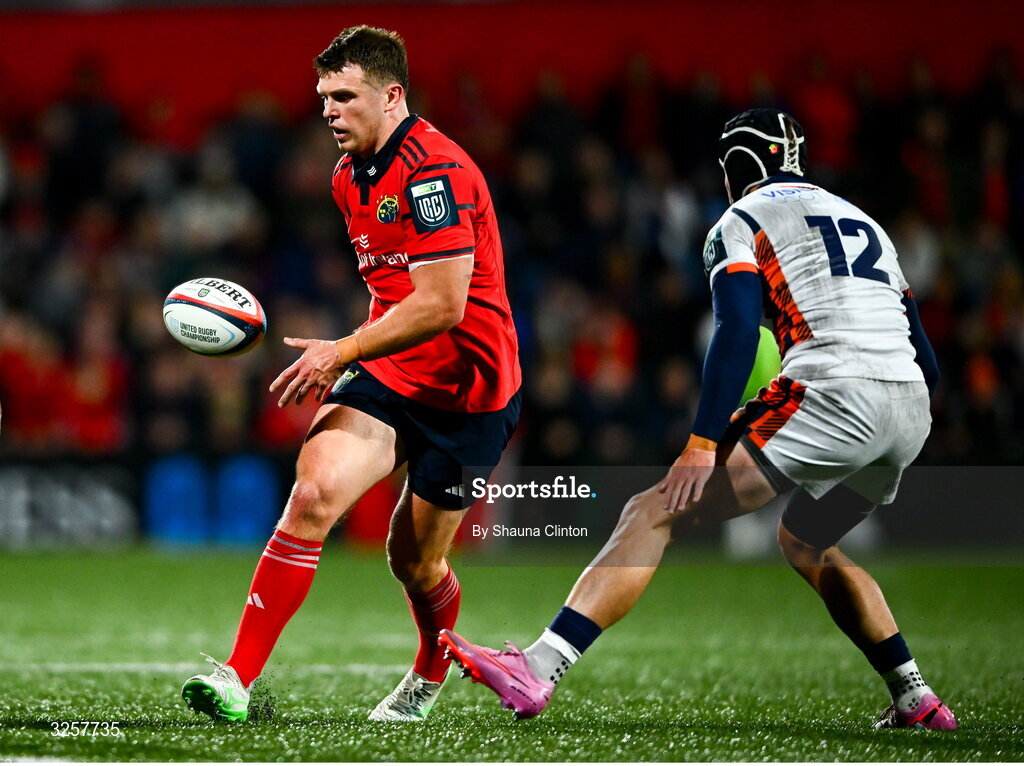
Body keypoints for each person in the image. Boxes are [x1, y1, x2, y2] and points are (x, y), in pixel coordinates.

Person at [440, 109, 956, 731]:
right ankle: (915, 697)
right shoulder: (864, 219)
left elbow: (737, 328)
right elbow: (925, 357)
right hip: (909, 408)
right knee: (807, 541)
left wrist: (702, 440)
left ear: (739, 167)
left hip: (832, 389)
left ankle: (540, 665)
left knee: (652, 511)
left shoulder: (742, 218)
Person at [181, 25, 521, 723]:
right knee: (312, 495)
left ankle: (429, 668)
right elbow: (396, 291)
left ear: (392, 96)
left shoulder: (437, 172)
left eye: (345, 96)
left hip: (472, 393)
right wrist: (358, 355)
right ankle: (237, 679)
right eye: (323, 97)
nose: (330, 110)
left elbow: (444, 303)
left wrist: (339, 349)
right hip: (390, 373)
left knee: (414, 562)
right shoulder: (347, 177)